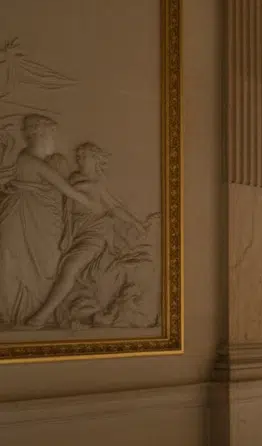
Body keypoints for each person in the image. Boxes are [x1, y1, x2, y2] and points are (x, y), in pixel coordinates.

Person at [22, 142, 156, 328]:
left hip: (95, 233)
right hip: (75, 232)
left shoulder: (98, 184)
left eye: (83, 156)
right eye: (78, 156)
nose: (79, 159)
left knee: (70, 267)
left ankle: (41, 317)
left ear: (95, 159)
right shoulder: (74, 178)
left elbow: (115, 207)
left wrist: (137, 224)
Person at [0, 115, 96, 327]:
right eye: (52, 134)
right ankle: (14, 314)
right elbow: (66, 189)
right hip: (22, 220)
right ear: (41, 134)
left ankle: (27, 313)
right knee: (17, 264)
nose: (54, 140)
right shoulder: (29, 161)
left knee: (41, 265)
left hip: (37, 223)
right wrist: (91, 202)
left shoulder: (33, 160)